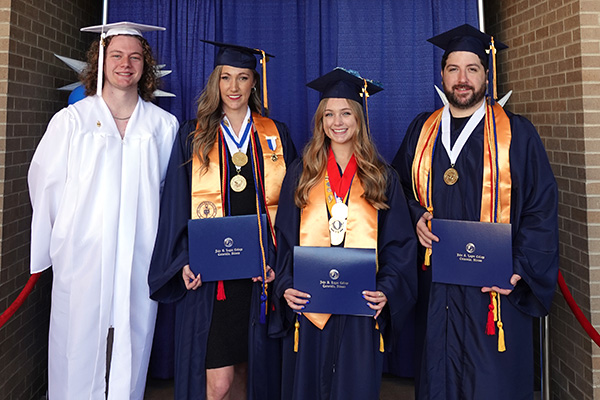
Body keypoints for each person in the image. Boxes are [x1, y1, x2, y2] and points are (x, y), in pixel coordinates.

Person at [392, 24, 559, 399]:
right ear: (442, 75)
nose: (462, 79)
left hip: (494, 290)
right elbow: (397, 187)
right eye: (454, 69)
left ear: (487, 75)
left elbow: (540, 208)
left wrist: (520, 268)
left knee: (491, 385)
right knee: (439, 380)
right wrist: (416, 213)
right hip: (438, 289)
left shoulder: (517, 134)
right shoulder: (422, 131)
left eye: (472, 69)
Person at [28, 22, 179, 400]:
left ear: (145, 66)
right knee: (74, 343)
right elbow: (45, 184)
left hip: (140, 253)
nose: (125, 64)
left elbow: (168, 193)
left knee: (136, 338)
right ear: (100, 61)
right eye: (116, 55)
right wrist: (61, 241)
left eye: (134, 57)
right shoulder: (72, 122)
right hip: (83, 254)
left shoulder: (163, 126)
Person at [148, 41, 297, 400]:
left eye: (242, 78)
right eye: (226, 78)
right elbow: (176, 208)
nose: (233, 87)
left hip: (258, 275)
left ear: (253, 84)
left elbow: (292, 211)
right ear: (216, 83)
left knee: (250, 370)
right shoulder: (194, 135)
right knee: (219, 384)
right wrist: (183, 261)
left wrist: (279, 263)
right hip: (212, 280)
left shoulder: (276, 135)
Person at [270, 67, 417, 400]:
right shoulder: (302, 173)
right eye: (329, 114)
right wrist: (286, 285)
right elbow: (286, 240)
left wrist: (387, 290)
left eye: (346, 113)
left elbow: (399, 246)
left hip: (360, 307)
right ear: (321, 121)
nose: (338, 122)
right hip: (311, 306)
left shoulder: (382, 177)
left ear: (360, 120)